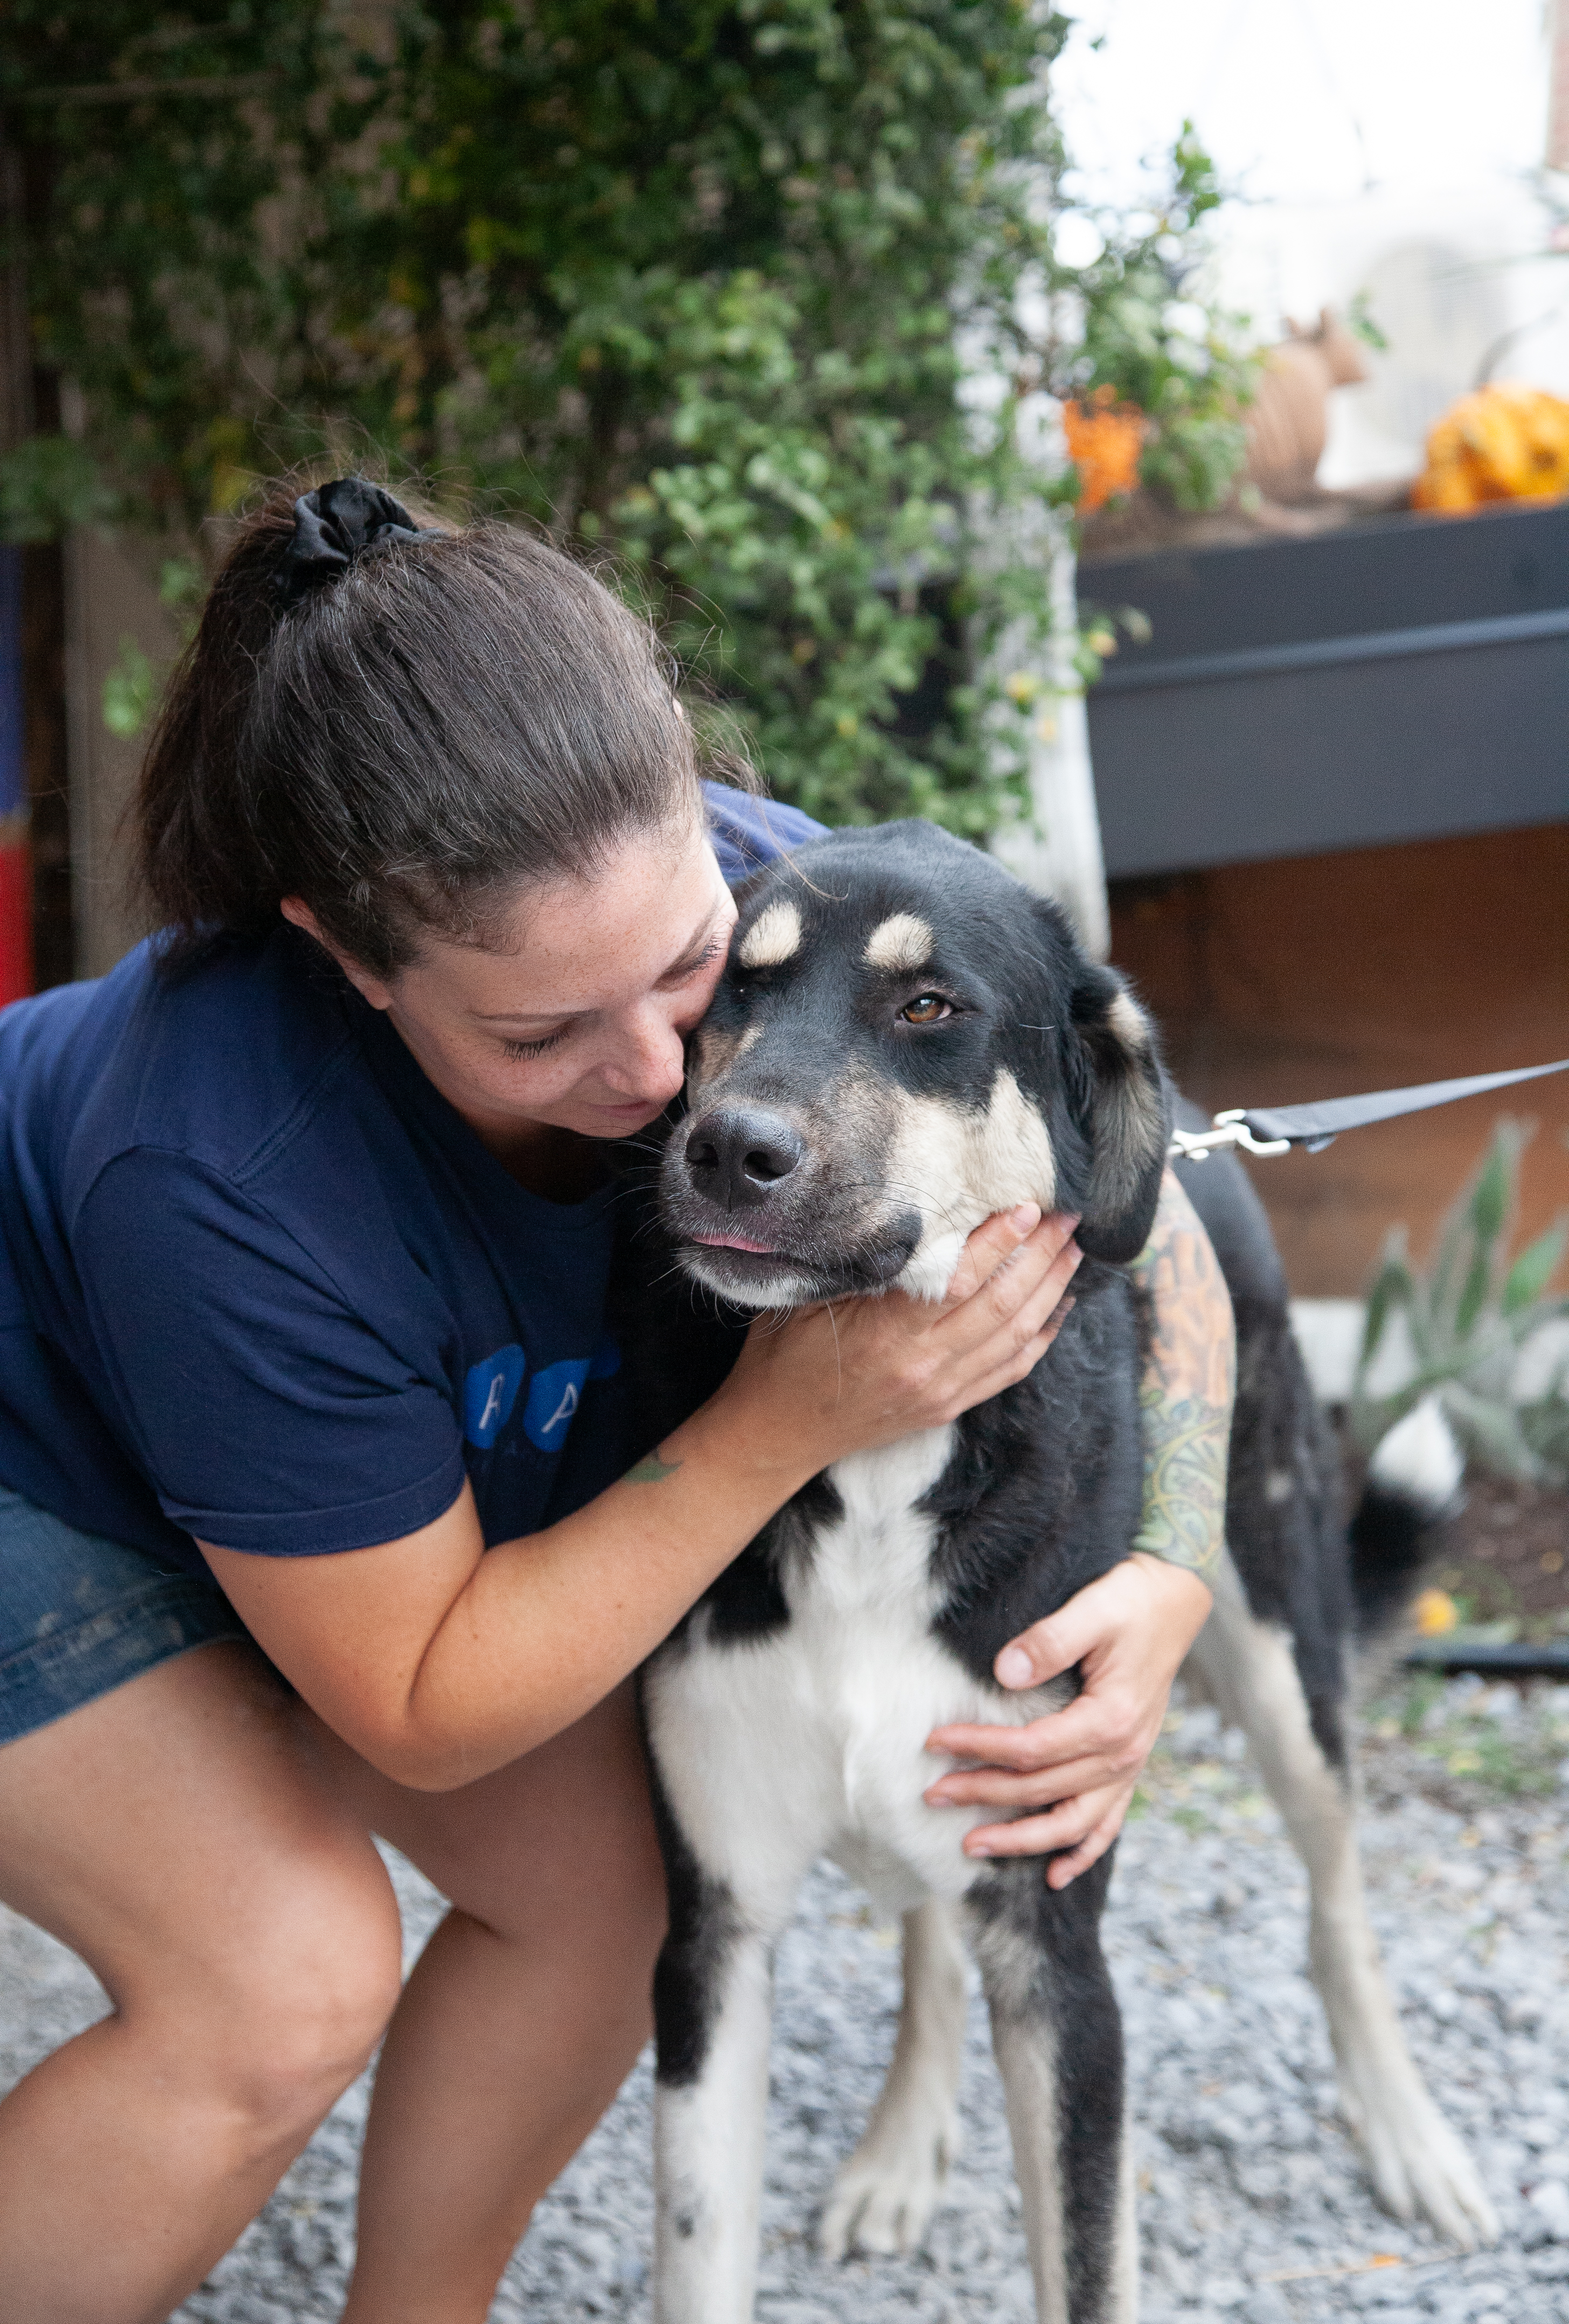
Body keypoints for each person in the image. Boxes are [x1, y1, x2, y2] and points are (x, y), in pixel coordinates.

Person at [0, 479, 1231, 2324]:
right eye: (537, 1035)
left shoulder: (775, 898)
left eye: (685, 972)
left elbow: (1140, 1190)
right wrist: (785, 1424)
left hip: (294, 1477)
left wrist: (1172, 1564)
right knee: (278, 1979)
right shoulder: (225, 1165)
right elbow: (421, 1704)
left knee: (603, 1900)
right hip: (39, 1448)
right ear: (347, 957)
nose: (667, 1073)